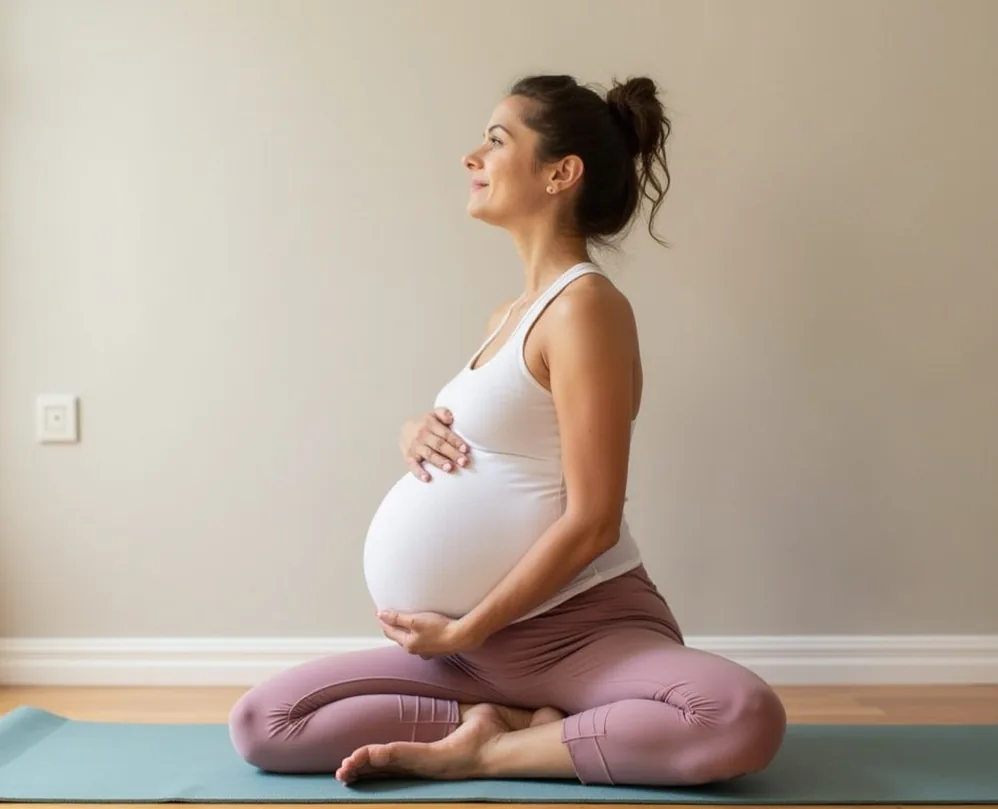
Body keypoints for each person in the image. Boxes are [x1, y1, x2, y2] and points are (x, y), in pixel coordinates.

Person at [228, 74, 787, 787]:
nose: (472, 157)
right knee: (264, 722)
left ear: (561, 172)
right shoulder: (506, 317)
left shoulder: (587, 308)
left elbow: (593, 520)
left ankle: (490, 747)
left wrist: (469, 627)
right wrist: (413, 431)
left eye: (496, 140)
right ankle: (512, 719)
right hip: (467, 655)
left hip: (576, 630)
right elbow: (503, 439)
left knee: (738, 716)